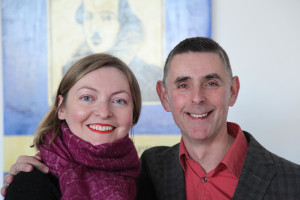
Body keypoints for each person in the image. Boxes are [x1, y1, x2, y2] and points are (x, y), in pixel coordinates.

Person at [2, 37, 300, 199]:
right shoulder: (152, 170)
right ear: (164, 96)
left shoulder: (138, 174)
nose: (197, 98)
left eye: (211, 83)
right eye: (183, 84)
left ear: (232, 91)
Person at [3, 53, 141, 200]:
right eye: (87, 98)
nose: (103, 112)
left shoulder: (150, 181)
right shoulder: (30, 183)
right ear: (61, 108)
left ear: (133, 114)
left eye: (119, 101)